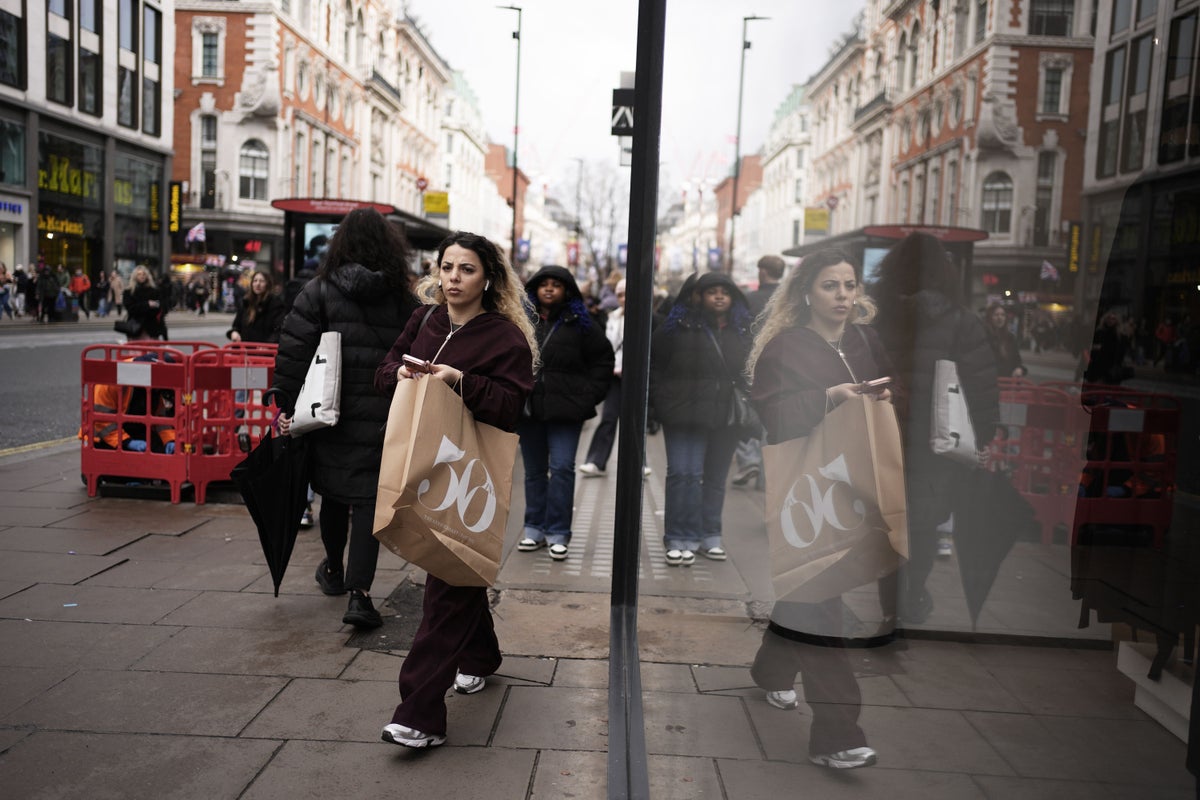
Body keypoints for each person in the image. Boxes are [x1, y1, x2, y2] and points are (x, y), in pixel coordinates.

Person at [374, 231, 535, 749]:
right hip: (423, 468)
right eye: (446, 268)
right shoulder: (425, 320)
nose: (452, 280)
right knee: (459, 577)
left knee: (448, 585)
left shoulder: (504, 336)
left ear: (489, 277)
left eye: (465, 270)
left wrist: (457, 379)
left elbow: (512, 407)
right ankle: (481, 656)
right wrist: (402, 372)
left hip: (472, 481)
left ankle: (418, 714)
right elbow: (382, 373)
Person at [746, 247, 897, 771]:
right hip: (805, 493)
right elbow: (775, 417)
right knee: (820, 600)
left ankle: (770, 672)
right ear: (807, 291)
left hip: (854, 483)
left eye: (850, 286)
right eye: (831, 286)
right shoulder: (788, 347)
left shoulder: (865, 340)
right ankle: (837, 735)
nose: (842, 296)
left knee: (807, 592)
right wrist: (829, 397)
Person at [272, 208, 420, 630]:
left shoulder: (318, 291)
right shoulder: (403, 299)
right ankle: (361, 594)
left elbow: (294, 352)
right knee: (369, 501)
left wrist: (284, 405)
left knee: (333, 494)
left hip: (328, 414)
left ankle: (333, 570)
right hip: (382, 414)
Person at [871, 233, 1000, 622]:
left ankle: (892, 600)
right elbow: (980, 382)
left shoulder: (875, 314)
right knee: (923, 524)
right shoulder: (962, 321)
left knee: (889, 522)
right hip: (937, 442)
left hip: (883, 433)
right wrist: (986, 433)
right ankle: (910, 599)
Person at [649, 271, 755, 565]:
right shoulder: (675, 329)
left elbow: (751, 371)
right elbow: (654, 367)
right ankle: (678, 536)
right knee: (683, 474)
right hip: (683, 413)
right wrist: (658, 406)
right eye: (712, 291)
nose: (719, 296)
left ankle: (709, 536)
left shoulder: (743, 330)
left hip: (725, 415)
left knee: (715, 478)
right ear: (697, 296)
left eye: (725, 291)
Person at [516, 265, 613, 560]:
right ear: (535, 289)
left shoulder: (582, 324)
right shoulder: (521, 320)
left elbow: (603, 361)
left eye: (555, 285)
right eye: (543, 284)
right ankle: (533, 527)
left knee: (561, 469)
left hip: (566, 412)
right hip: (529, 409)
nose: (548, 289)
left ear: (566, 291)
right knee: (533, 472)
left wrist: (587, 397)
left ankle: (558, 532)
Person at [578, 279, 653, 480]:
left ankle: (639, 463)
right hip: (614, 377)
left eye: (627, 294)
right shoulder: (610, 319)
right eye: (620, 294)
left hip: (636, 378)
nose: (624, 299)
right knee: (609, 419)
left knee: (635, 421)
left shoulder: (648, 319)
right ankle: (596, 461)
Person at [732, 254, 788, 488]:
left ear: (763, 272)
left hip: (751, 366)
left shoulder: (750, 299)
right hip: (782, 368)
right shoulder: (789, 301)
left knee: (745, 414)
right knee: (771, 420)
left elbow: (740, 333)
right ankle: (766, 478)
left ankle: (749, 459)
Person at [227, 268, 285, 344]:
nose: (258, 284)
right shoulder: (246, 303)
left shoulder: (275, 304)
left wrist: (268, 345)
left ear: (268, 284)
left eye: (262, 281)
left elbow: (279, 330)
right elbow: (236, 326)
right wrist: (234, 333)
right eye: (255, 281)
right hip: (245, 351)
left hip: (264, 352)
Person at [122, 265, 168, 340]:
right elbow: (131, 309)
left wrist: (165, 335)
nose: (142, 276)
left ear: (147, 276)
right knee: (136, 351)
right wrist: (147, 304)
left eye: (144, 274)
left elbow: (159, 308)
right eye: (139, 274)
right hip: (135, 328)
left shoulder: (154, 291)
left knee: (152, 351)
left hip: (152, 328)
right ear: (135, 276)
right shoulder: (129, 291)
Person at [983, 303, 1026, 378]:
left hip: (1008, 384)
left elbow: (1017, 360)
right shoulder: (983, 337)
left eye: (1003, 315)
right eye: (996, 315)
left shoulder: (1010, 338)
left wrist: (1019, 369)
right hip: (989, 382)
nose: (1000, 318)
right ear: (989, 318)